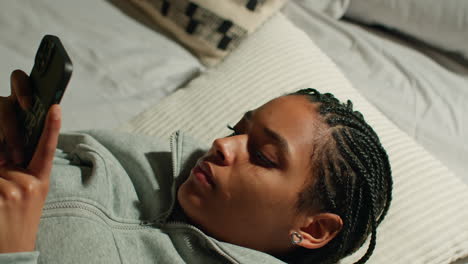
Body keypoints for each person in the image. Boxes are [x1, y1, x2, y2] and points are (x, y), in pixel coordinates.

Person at [0, 70, 392, 264]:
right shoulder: (147, 160)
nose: (222, 146)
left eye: (263, 156)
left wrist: (13, 250)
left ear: (312, 228)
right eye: (235, 130)